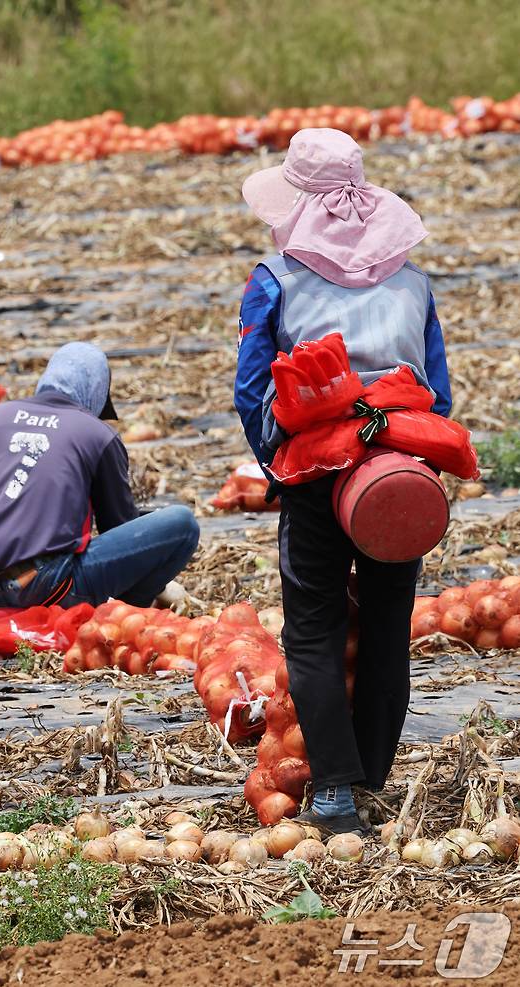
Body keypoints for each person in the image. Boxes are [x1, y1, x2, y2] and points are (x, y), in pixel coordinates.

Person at [235, 129, 452, 834]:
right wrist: (401, 460)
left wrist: (278, 468)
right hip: (396, 471)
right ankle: (376, 773)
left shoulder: (276, 276)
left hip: (316, 470)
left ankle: (333, 790)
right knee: (389, 625)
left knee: (313, 631)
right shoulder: (413, 280)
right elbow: (437, 394)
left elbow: (252, 388)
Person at [0, 342, 200, 612]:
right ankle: (131, 613)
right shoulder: (96, 434)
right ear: (96, 392)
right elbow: (118, 526)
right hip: (46, 586)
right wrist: (161, 586)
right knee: (183, 524)